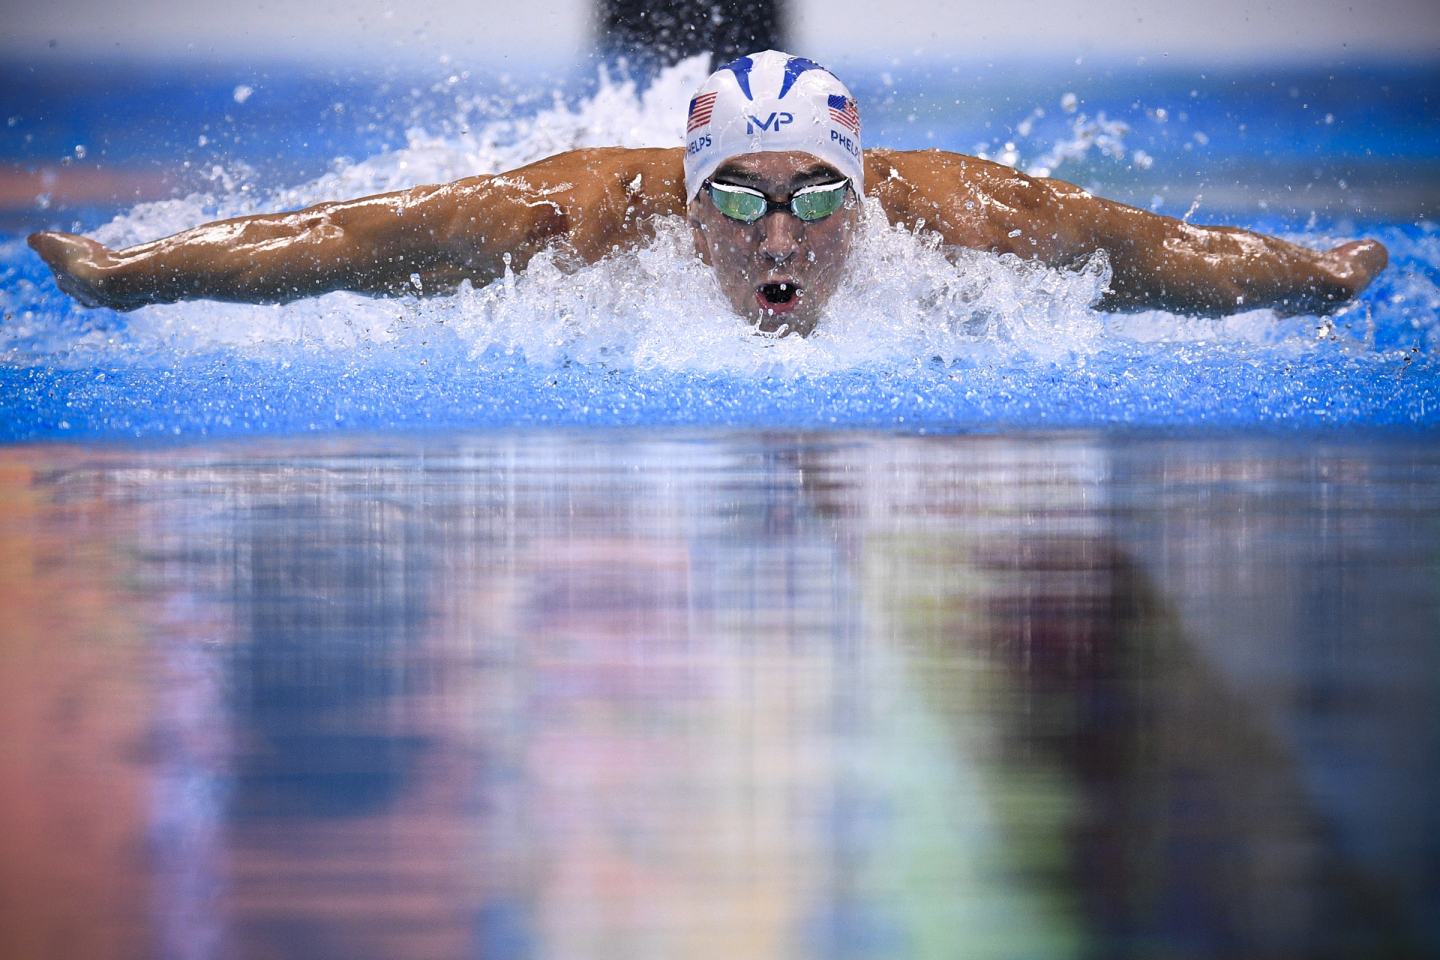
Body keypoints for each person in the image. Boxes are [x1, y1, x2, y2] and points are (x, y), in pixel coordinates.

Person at [28, 50, 1387, 337]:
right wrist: (137, 272)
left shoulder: (963, 218)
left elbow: (1156, 251)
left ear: (868, 192)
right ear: (687, 203)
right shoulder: (570, 217)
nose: (781, 239)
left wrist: (1311, 277)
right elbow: (337, 239)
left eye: (814, 200)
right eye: (738, 202)